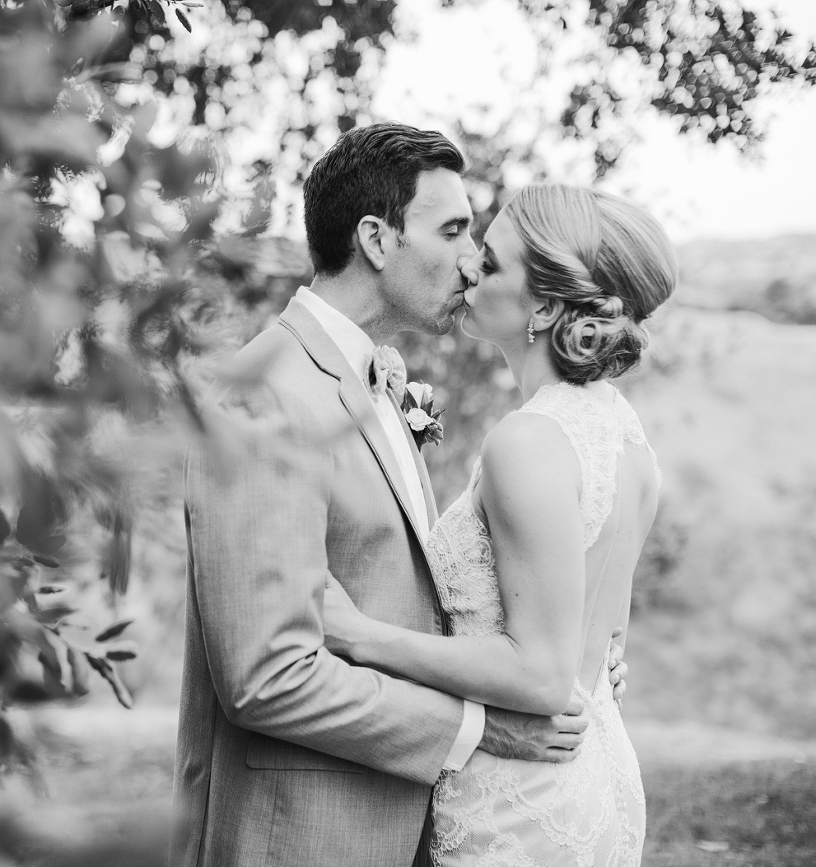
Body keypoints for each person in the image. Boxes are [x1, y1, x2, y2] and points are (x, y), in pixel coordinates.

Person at [171, 124, 628, 867]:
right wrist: (476, 728)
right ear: (377, 240)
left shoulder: (374, 379)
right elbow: (265, 679)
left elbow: (402, 593)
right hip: (302, 837)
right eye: (451, 229)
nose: (472, 257)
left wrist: (566, 650)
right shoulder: (259, 399)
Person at [323, 182, 675, 865]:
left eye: (488, 262)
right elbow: (599, 646)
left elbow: (540, 675)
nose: (465, 269)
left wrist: (361, 636)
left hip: (520, 801)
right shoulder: (625, 438)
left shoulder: (529, 439)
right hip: (589, 772)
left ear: (543, 304)